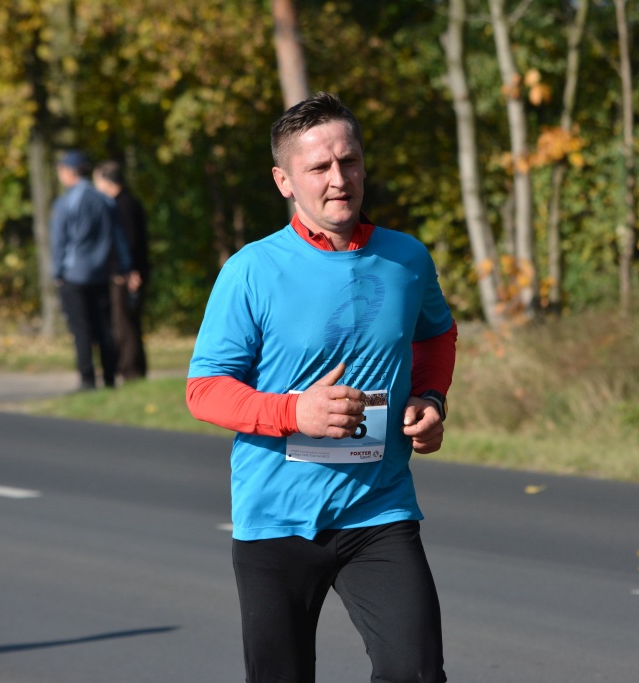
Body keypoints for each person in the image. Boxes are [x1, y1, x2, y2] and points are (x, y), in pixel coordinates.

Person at [186, 92, 458, 683]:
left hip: (378, 510)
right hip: (277, 520)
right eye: (319, 167)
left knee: (416, 673)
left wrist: (431, 398)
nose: (340, 179)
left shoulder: (406, 258)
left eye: (349, 161)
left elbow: (436, 333)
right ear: (284, 181)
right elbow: (204, 389)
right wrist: (294, 413)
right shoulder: (251, 270)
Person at [50, 150, 134, 390]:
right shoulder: (104, 199)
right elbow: (118, 238)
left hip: (74, 275)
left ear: (69, 172)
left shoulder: (67, 201)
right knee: (104, 327)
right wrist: (125, 266)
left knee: (81, 329)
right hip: (101, 273)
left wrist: (57, 272)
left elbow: (59, 240)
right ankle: (109, 377)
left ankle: (87, 380)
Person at [93, 160, 149, 382]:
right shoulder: (128, 202)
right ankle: (133, 369)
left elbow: (130, 242)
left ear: (107, 181)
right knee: (128, 322)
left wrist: (129, 271)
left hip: (127, 275)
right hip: (130, 272)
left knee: (124, 324)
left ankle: (131, 370)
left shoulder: (122, 205)